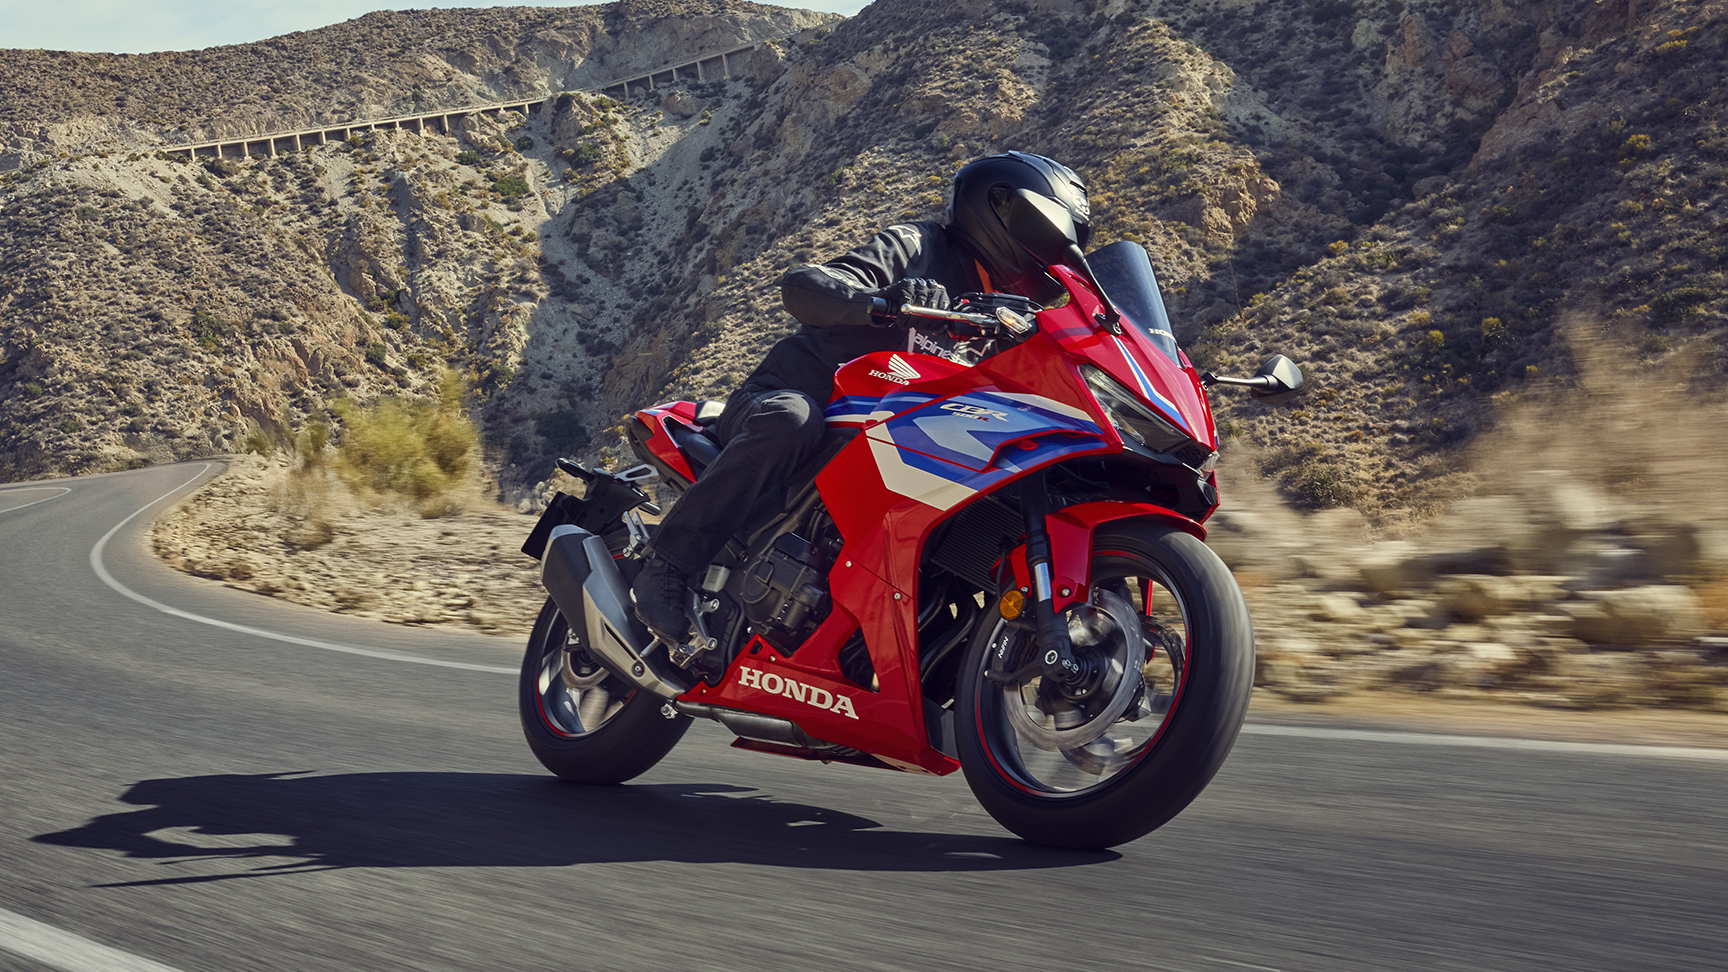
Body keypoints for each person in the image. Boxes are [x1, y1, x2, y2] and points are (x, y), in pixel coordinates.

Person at [631, 151, 1093, 646]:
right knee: (792, 419)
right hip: (799, 398)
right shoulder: (918, 248)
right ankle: (668, 566)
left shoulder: (1017, 318)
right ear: (1002, 208)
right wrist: (885, 300)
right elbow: (806, 287)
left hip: (898, 439)